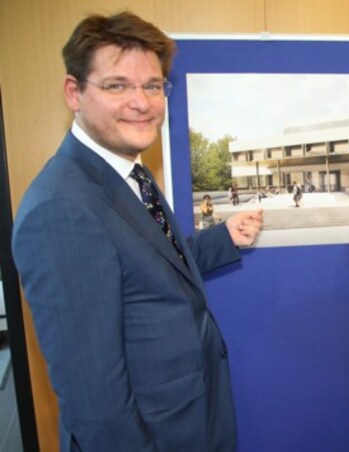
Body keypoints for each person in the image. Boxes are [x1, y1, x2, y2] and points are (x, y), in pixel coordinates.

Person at [11, 12, 263, 452]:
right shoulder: (61, 209)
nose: (141, 102)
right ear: (75, 92)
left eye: (151, 85)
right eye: (117, 85)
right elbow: (96, 404)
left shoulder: (131, 173)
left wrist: (222, 238)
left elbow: (149, 268)